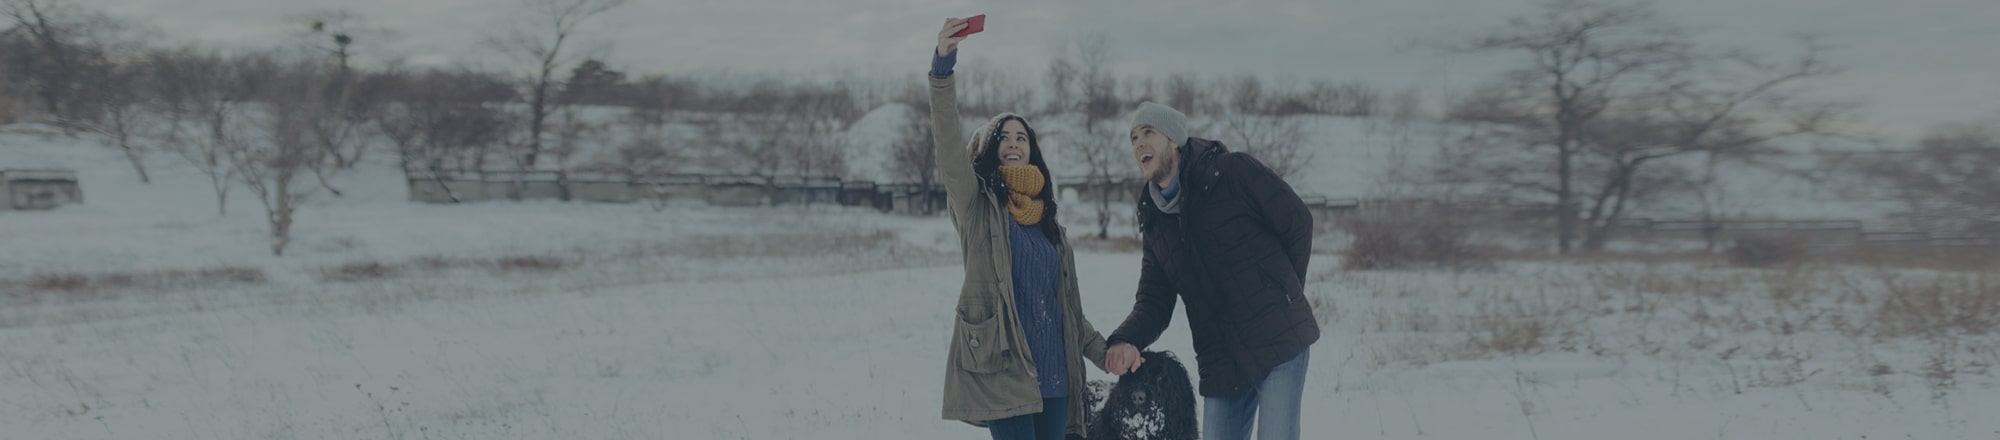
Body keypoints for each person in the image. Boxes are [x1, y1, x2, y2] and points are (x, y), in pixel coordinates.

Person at [928, 17, 1110, 440]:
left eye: (1021, 137)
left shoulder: (1049, 224)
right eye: (1004, 137)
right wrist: (942, 69)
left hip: (1056, 375)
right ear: (992, 149)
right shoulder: (978, 207)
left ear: (1032, 151)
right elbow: (950, 147)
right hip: (1004, 369)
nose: (1013, 142)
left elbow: (1064, 307)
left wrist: (1105, 352)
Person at [1101, 101, 1320, 440]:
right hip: (1220, 360)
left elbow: (1297, 223)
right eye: (1132, 138)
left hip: (1277, 341)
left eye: (1148, 133)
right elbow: (1154, 301)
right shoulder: (1155, 220)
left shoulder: (1231, 172)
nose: (1138, 143)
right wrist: (1126, 339)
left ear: (1174, 139)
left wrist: (1283, 296)